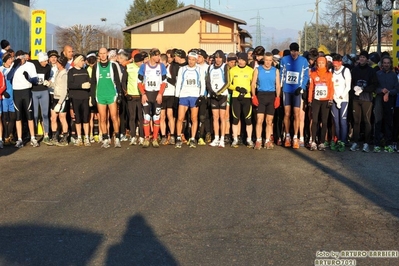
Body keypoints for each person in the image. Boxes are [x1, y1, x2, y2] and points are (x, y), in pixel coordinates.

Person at [90, 47, 122, 148]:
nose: (103, 55)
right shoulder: (96, 67)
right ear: (98, 55)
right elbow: (93, 83)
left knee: (114, 117)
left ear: (107, 54)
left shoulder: (113, 66)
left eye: (104, 53)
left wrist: (119, 94)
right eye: (101, 53)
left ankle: (117, 138)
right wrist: (92, 97)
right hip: (100, 95)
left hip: (111, 95)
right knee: (102, 118)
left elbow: (117, 81)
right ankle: (105, 138)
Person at [280, 42, 309, 149]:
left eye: (295, 51)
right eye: (292, 51)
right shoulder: (284, 60)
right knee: (287, 113)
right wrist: (280, 88)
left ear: (298, 51)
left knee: (296, 114)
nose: (293, 53)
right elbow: (281, 74)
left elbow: (306, 75)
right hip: (287, 90)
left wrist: (302, 87)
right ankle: (287, 136)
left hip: (297, 91)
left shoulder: (303, 61)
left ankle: (295, 137)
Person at [8, 50, 39, 148]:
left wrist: (28, 78)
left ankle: (33, 138)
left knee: (29, 115)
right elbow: (9, 77)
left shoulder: (30, 65)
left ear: (25, 57)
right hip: (16, 91)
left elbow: (35, 80)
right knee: (18, 117)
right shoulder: (14, 65)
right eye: (18, 58)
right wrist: (14, 66)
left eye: (22, 57)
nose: (20, 59)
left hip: (26, 91)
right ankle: (20, 139)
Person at [174, 51, 206, 148]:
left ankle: (192, 138)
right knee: (180, 118)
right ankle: (178, 137)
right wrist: (177, 95)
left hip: (194, 96)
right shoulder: (182, 69)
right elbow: (179, 82)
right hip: (184, 95)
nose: (191, 62)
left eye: (193, 60)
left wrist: (201, 95)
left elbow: (202, 83)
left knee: (194, 118)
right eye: (189, 59)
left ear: (196, 60)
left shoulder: (200, 69)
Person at [137, 48, 167, 148]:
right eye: (157, 56)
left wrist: (160, 94)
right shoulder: (144, 66)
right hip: (147, 94)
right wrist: (143, 94)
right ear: (152, 56)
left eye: (159, 55)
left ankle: (154, 138)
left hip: (157, 94)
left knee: (156, 117)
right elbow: (139, 82)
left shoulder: (161, 66)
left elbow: (164, 82)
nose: (159, 58)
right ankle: (146, 138)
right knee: (146, 117)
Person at [251, 52, 281, 150]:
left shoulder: (275, 70)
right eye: (266, 60)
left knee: (269, 121)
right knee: (259, 120)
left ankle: (267, 140)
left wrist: (277, 97)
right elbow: (253, 84)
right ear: (263, 60)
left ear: (272, 60)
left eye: (270, 60)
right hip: (261, 95)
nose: (268, 62)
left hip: (271, 96)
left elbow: (278, 85)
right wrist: (253, 96)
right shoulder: (257, 69)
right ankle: (258, 140)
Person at [349, 50, 378, 152]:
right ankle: (355, 142)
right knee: (356, 121)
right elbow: (350, 82)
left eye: (364, 57)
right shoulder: (354, 70)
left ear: (367, 59)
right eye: (360, 57)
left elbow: (374, 85)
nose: (362, 59)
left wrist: (364, 89)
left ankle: (366, 143)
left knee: (366, 121)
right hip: (356, 99)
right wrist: (354, 88)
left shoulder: (371, 71)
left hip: (367, 99)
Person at [308, 56, 334, 151]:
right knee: (314, 121)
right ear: (317, 64)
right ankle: (313, 141)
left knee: (324, 121)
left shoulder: (329, 74)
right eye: (319, 63)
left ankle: (322, 142)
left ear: (325, 64)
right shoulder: (313, 74)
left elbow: (331, 87)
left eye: (323, 63)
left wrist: (330, 99)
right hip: (316, 100)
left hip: (326, 100)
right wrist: (309, 100)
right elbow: (311, 88)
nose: (321, 64)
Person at [228, 52, 254, 148]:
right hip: (236, 97)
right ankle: (235, 139)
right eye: (240, 59)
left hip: (246, 97)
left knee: (248, 119)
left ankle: (249, 139)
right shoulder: (232, 70)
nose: (241, 62)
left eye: (243, 60)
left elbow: (253, 84)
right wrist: (237, 88)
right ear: (237, 60)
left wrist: (247, 91)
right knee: (235, 119)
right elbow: (229, 84)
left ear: (246, 61)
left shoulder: (251, 70)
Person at [373, 55, 398, 153]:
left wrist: (389, 92)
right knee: (378, 121)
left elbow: (396, 88)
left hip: (390, 99)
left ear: (390, 64)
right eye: (385, 63)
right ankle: (377, 144)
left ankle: (388, 144)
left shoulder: (393, 75)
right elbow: (374, 87)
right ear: (382, 64)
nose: (386, 65)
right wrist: (381, 90)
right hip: (379, 98)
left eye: (388, 63)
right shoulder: (378, 74)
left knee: (388, 122)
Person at [206, 50, 229, 148]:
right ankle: (216, 138)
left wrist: (219, 92)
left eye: (220, 58)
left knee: (222, 117)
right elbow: (208, 81)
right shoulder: (210, 67)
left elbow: (227, 82)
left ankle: (222, 139)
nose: (218, 59)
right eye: (216, 57)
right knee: (215, 117)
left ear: (222, 58)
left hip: (222, 95)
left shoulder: (225, 66)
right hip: (213, 95)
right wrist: (212, 92)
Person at [68, 54, 92, 146]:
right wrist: (80, 86)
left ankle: (86, 137)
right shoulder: (71, 72)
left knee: (86, 118)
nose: (83, 62)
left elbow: (89, 83)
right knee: (77, 118)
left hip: (85, 97)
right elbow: (70, 85)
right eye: (81, 61)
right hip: (75, 98)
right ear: (77, 61)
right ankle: (79, 137)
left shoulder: (85, 71)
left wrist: (90, 96)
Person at [330, 54, 351, 151]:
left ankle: (343, 140)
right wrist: (335, 98)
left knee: (343, 121)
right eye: (334, 65)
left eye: (337, 65)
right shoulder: (331, 71)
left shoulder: (346, 70)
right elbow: (331, 86)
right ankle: (338, 140)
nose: (336, 67)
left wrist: (341, 97)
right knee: (336, 122)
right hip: (334, 98)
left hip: (344, 99)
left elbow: (348, 86)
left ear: (341, 62)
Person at [47, 55, 69, 146]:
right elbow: (56, 85)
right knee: (53, 118)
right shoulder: (57, 72)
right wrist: (49, 84)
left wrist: (60, 103)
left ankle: (65, 138)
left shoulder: (64, 74)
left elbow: (64, 90)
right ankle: (54, 137)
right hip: (55, 97)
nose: (56, 63)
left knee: (62, 118)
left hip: (62, 99)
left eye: (58, 62)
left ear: (61, 64)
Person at [124, 53, 145, 146]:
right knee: (132, 117)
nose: (140, 63)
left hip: (141, 95)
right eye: (139, 62)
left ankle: (141, 136)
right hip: (131, 95)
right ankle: (133, 136)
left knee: (140, 117)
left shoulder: (145, 67)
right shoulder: (128, 67)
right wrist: (126, 93)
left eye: (141, 61)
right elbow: (123, 81)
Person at [31, 52, 52, 145]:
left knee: (45, 114)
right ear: (40, 60)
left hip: (44, 91)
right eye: (45, 61)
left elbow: (48, 77)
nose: (46, 62)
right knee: (35, 115)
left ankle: (46, 135)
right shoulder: (33, 64)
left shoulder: (48, 67)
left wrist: (48, 82)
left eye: (47, 60)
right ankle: (33, 135)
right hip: (34, 91)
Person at [159, 53, 177, 145]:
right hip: (161, 95)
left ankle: (172, 135)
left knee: (170, 115)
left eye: (161, 62)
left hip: (170, 94)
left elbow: (175, 81)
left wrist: (165, 77)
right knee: (162, 116)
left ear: (165, 62)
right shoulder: (157, 69)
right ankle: (163, 136)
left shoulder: (171, 68)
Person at [0, 52, 16, 146]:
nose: (11, 60)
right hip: (4, 96)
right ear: (5, 60)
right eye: (9, 59)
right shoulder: (1, 69)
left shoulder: (13, 68)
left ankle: (10, 135)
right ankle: (5, 136)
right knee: (5, 117)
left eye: (11, 59)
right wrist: (2, 92)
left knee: (13, 117)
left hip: (13, 95)